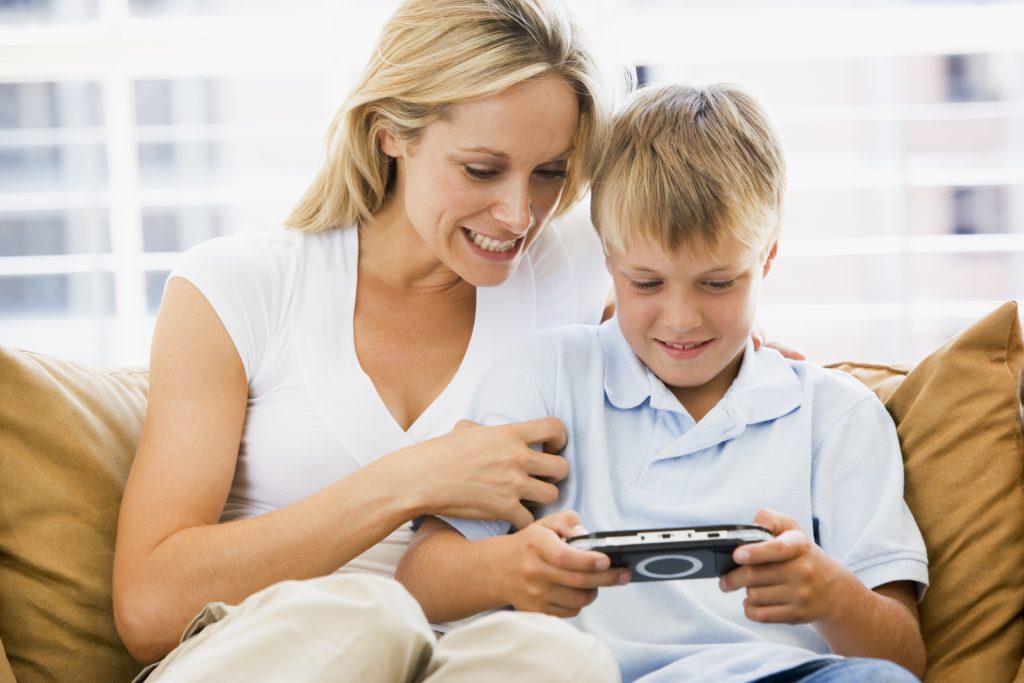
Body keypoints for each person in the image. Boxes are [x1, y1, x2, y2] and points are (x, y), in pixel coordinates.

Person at [112, 1, 631, 680]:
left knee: (559, 657)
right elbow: (148, 607)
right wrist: (414, 478)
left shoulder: (575, 268)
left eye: (550, 173)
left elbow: (696, 314)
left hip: (461, 654)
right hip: (266, 648)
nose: (518, 213)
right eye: (481, 169)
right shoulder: (239, 286)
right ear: (391, 132)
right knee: (366, 615)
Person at [396, 83, 930, 683]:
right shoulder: (545, 377)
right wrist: (508, 567)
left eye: (718, 283)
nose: (681, 320)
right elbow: (420, 579)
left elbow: (904, 657)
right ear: (608, 260)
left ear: (768, 259)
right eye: (646, 283)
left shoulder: (835, 416)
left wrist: (834, 596)